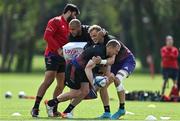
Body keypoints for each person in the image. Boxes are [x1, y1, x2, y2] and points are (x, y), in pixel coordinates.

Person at [44, 40, 121, 117]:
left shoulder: (106, 54)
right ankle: (50, 103)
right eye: (116, 51)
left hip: (82, 70)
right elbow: (88, 68)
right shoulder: (99, 53)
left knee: (85, 92)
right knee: (76, 93)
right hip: (74, 68)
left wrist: (105, 78)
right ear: (110, 47)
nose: (117, 53)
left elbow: (107, 64)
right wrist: (93, 84)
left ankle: (67, 112)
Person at [31, 4, 80, 117]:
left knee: (61, 84)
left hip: (64, 58)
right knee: (49, 80)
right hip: (52, 55)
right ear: (69, 11)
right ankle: (35, 108)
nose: (75, 18)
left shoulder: (70, 25)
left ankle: (53, 109)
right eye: (74, 14)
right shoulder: (55, 21)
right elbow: (47, 36)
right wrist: (58, 49)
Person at [86, 25, 136, 119]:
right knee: (103, 84)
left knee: (117, 79)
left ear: (101, 34)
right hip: (114, 65)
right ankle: (107, 112)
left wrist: (100, 61)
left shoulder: (110, 40)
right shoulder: (96, 45)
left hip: (127, 61)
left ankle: (122, 109)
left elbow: (111, 60)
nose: (93, 38)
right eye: (92, 36)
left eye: (95, 35)